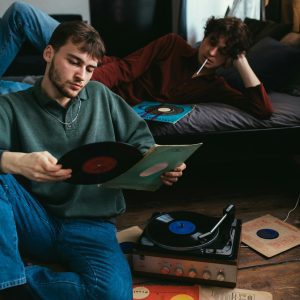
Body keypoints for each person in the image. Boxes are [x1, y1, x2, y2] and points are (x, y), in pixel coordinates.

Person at [0, 19, 186, 300]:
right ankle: (10, 285)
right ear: (49, 53)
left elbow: (143, 143)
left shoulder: (101, 96)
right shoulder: (10, 105)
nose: (81, 76)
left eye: (89, 68)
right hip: (33, 220)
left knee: (114, 295)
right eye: (74, 62)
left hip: (92, 226)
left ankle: (19, 280)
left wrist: (160, 164)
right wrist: (14, 161)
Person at [0, 2, 273, 119]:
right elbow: (124, 68)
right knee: (21, 13)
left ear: (229, 60)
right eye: (212, 43)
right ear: (205, 38)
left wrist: (240, 60)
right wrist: (85, 81)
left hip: (106, 95)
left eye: (223, 52)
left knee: (10, 93)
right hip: (100, 68)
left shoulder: (215, 87)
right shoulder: (173, 45)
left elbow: (262, 110)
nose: (212, 53)